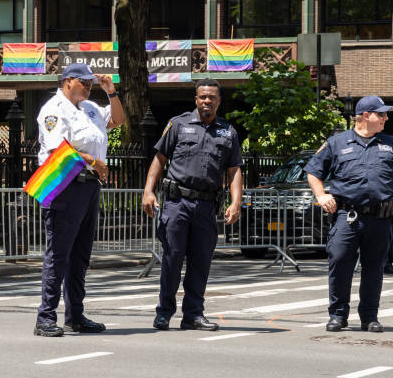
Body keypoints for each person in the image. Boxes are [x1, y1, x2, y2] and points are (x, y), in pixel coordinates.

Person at [304, 96, 393, 332]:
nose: (386, 118)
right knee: (339, 262)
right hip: (348, 215)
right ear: (366, 116)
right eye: (382, 114)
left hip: (379, 217)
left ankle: (369, 316)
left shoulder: (392, 144)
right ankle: (337, 315)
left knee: (374, 267)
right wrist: (321, 195)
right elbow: (313, 172)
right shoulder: (337, 142)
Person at [142, 78, 243, 332]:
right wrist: (148, 191)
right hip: (177, 203)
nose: (206, 101)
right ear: (195, 99)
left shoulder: (228, 132)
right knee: (172, 259)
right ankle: (164, 312)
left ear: (219, 101)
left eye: (211, 97)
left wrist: (236, 202)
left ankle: (193, 315)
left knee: (200, 263)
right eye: (202, 97)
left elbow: (234, 170)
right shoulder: (178, 124)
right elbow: (159, 159)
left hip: (207, 206)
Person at [34, 63, 125, 337]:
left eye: (91, 82)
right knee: (59, 253)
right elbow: (56, 148)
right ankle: (45, 317)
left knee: (80, 255)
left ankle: (75, 315)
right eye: (83, 81)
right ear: (68, 81)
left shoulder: (90, 108)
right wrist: (93, 161)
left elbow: (118, 120)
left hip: (88, 187)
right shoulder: (53, 108)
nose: (88, 86)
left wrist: (111, 92)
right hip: (64, 184)